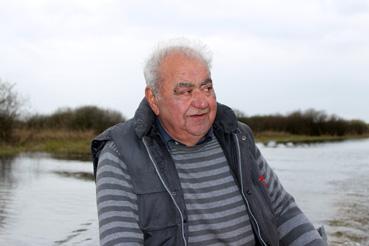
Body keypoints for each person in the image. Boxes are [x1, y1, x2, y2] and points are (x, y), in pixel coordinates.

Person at [91, 39, 327, 246]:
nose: (202, 102)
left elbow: (283, 211)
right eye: (185, 91)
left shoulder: (238, 139)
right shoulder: (119, 154)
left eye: (207, 88)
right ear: (153, 98)